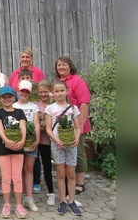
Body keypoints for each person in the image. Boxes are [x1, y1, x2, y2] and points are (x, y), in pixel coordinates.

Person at [55, 56, 91, 199]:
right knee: (66, 151)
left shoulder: (76, 80)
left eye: (64, 65)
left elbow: (84, 103)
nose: (61, 67)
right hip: (63, 126)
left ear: (70, 66)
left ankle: (80, 182)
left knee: (78, 152)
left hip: (77, 122)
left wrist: (80, 125)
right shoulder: (58, 82)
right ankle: (68, 178)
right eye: (59, 65)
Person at [44, 80, 82, 216]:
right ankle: (62, 201)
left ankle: (72, 200)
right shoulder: (50, 108)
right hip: (57, 144)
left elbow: (78, 127)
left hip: (71, 144)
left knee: (71, 174)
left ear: (67, 91)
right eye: (57, 91)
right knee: (60, 173)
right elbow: (48, 128)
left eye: (62, 90)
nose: (59, 93)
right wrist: (56, 140)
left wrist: (77, 137)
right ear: (53, 93)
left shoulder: (73, 108)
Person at [0, 86, 28, 219]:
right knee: (6, 178)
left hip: (19, 148)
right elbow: (0, 129)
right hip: (3, 149)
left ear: (14, 97)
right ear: (0, 99)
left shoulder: (19, 112)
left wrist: (23, 141)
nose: (7, 99)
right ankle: (7, 205)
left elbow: (23, 127)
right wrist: (6, 141)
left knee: (17, 177)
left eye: (9, 97)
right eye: (4, 97)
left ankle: (19, 205)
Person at [12, 81, 41, 212]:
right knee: (18, 170)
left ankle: (29, 197)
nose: (24, 93)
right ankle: (20, 197)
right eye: (22, 90)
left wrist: (38, 139)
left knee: (29, 168)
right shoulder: (13, 106)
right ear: (18, 91)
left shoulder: (34, 107)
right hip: (17, 142)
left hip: (30, 142)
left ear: (30, 93)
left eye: (27, 91)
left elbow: (36, 124)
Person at [36, 80, 56, 206]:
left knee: (60, 167)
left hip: (56, 139)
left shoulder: (54, 103)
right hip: (43, 140)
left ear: (50, 91)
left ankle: (67, 194)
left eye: (46, 92)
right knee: (46, 166)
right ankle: (51, 193)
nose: (43, 94)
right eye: (41, 92)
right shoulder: (36, 105)